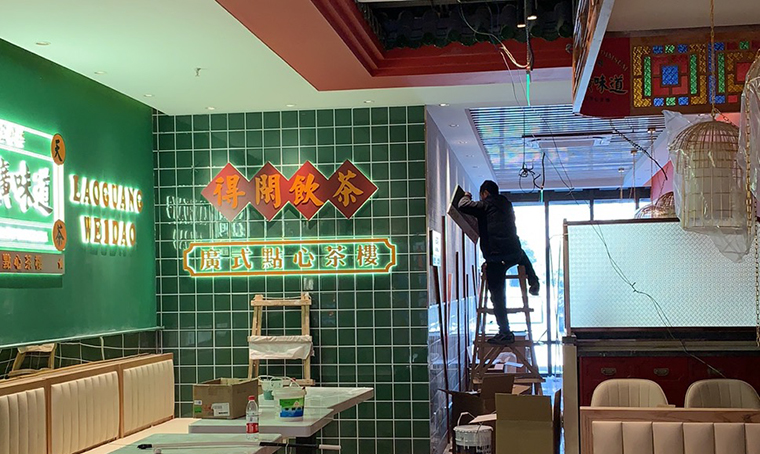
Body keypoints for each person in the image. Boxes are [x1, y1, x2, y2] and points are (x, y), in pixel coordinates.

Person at [458, 180, 540, 345]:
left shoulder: (485, 205)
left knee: (497, 295)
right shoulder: (507, 205)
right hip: (514, 252)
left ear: (485, 193)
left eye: (481, 195)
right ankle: (534, 281)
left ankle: (505, 332)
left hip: (497, 256)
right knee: (522, 256)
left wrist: (466, 195)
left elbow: (462, 205)